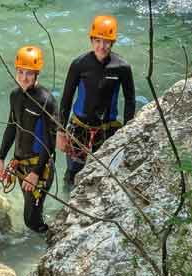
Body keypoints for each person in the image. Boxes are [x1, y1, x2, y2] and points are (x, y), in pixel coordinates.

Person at [57, 15, 136, 186]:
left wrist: (128, 132)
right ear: (91, 40)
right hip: (79, 128)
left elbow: (130, 101)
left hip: (107, 130)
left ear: (112, 42)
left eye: (106, 41)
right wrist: (61, 132)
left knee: (105, 175)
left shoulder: (122, 67)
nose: (101, 46)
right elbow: (66, 98)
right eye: (97, 40)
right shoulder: (79, 64)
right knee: (73, 172)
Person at [0, 45, 57, 233]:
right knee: (32, 212)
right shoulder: (15, 95)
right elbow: (11, 127)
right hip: (21, 165)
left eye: (29, 73)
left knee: (31, 221)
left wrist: (36, 173)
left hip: (39, 168)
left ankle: (50, 238)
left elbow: (50, 142)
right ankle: (47, 234)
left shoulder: (46, 100)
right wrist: (0, 158)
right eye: (21, 72)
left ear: (37, 74)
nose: (24, 77)